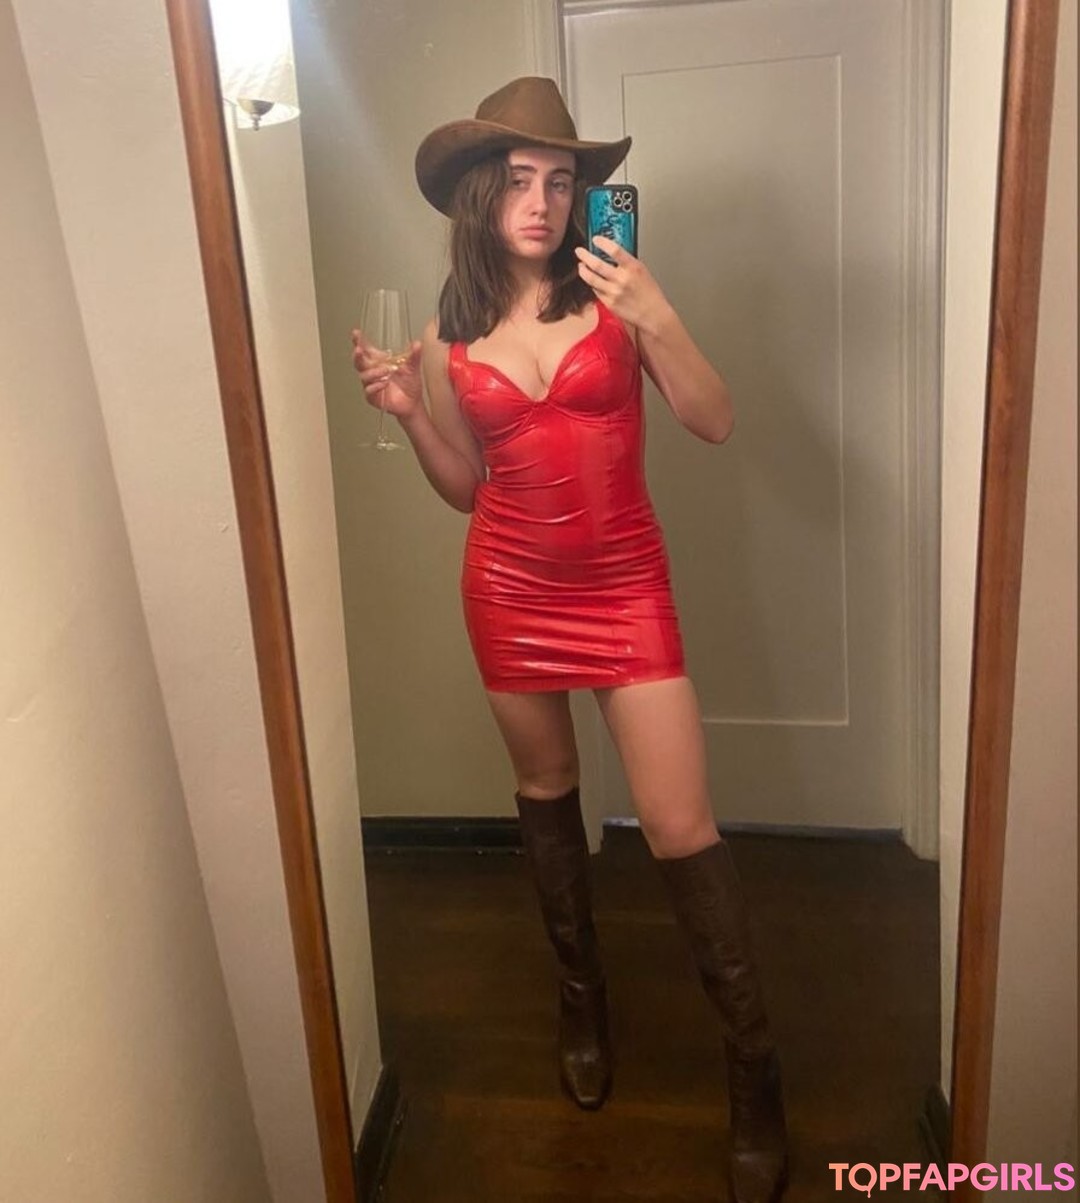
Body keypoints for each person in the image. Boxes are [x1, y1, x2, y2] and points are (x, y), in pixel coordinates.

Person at [352, 76, 788, 1203]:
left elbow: (714, 419)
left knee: (680, 825)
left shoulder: (617, 296)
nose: (542, 202)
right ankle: (580, 997)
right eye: (520, 180)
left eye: (560, 180)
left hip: (625, 586)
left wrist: (657, 313)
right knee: (545, 789)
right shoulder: (452, 334)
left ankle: (754, 1071)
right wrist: (411, 414)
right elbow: (468, 487)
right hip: (507, 587)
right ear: (481, 195)